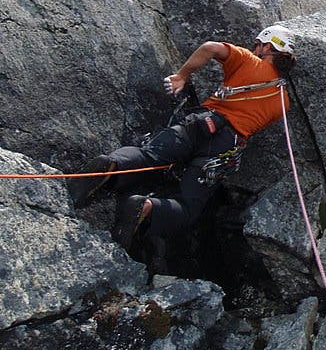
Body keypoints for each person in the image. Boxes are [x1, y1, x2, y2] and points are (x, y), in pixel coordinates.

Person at [68, 25, 297, 249]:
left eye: (257, 44)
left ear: (266, 46)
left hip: (199, 124)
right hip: (223, 149)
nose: (254, 47)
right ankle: (145, 206)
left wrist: (181, 76)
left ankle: (110, 164)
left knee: (148, 157)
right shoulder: (283, 102)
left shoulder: (248, 61)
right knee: (187, 208)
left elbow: (210, 48)